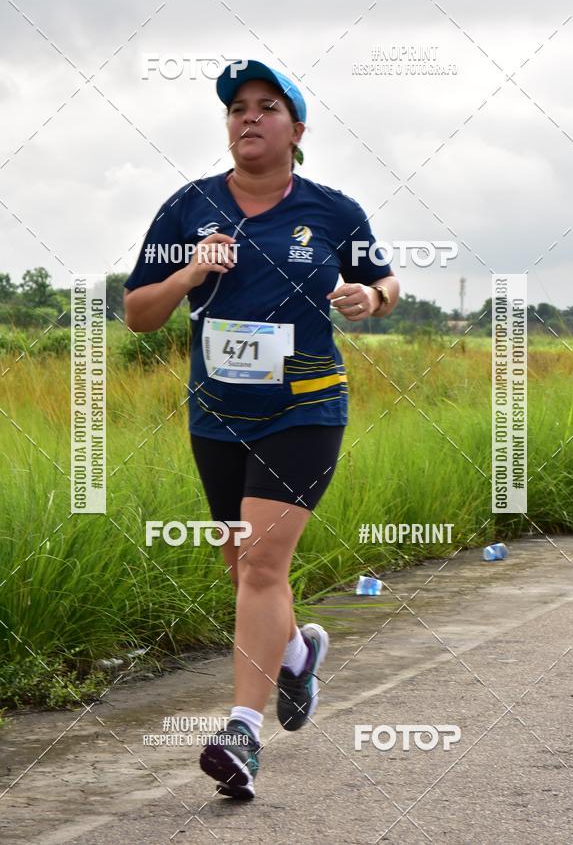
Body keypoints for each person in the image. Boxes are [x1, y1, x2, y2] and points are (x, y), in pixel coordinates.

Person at [123, 59, 399, 799]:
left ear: (296, 130)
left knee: (262, 565)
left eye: (266, 107)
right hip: (216, 413)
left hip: (305, 407)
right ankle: (298, 653)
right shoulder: (188, 207)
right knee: (239, 563)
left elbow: (386, 280)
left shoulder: (333, 211)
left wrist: (369, 299)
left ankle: (242, 730)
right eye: (238, 107)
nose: (248, 116)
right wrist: (187, 275)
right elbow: (138, 312)